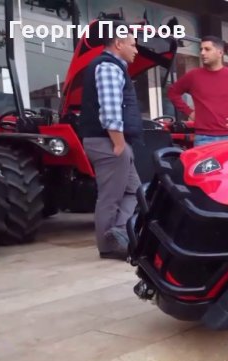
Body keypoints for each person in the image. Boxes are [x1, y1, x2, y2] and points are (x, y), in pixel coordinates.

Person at [79, 21, 142, 260]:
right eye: (132, 45)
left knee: (136, 191)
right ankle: (108, 247)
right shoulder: (108, 67)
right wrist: (118, 144)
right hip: (109, 142)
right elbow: (110, 111)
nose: (136, 50)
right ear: (118, 43)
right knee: (110, 196)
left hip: (112, 141)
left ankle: (119, 233)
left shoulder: (114, 67)